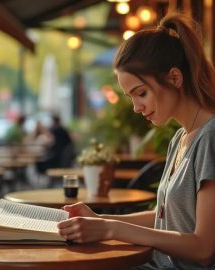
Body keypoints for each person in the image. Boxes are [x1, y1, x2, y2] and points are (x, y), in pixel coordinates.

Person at [57, 13, 215, 270]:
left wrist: (111, 229)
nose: (136, 107)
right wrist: (100, 220)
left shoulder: (211, 137)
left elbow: (202, 248)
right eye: (131, 97)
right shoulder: (181, 137)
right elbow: (166, 218)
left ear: (174, 78)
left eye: (140, 93)